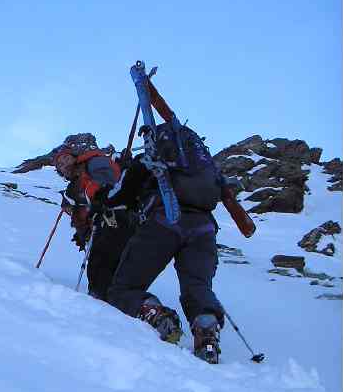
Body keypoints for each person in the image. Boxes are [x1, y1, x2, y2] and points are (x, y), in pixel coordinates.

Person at [104, 153, 225, 364]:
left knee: (124, 289)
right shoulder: (201, 164)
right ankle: (207, 336)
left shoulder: (151, 155)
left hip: (163, 221)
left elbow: (119, 195)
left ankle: (158, 317)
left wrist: (102, 201)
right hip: (204, 228)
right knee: (197, 286)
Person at [53, 146, 138, 302]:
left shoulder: (93, 163)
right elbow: (82, 212)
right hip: (105, 224)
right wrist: (82, 233)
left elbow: (109, 182)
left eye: (65, 158)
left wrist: (99, 196)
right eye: (59, 164)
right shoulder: (74, 186)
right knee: (107, 269)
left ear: (74, 157)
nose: (63, 163)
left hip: (115, 216)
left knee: (99, 266)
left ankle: (101, 303)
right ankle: (135, 307)